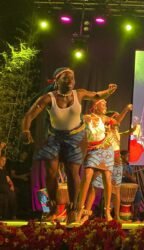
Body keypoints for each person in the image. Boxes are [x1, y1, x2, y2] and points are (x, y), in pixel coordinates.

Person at [21, 67, 117, 223]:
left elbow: (97, 95)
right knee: (51, 172)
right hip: (54, 138)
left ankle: (73, 209)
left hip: (75, 138)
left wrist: (109, 91)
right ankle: (52, 208)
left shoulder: (79, 94)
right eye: (66, 78)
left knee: (73, 172)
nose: (70, 81)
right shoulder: (48, 98)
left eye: (72, 78)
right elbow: (29, 115)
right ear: (57, 81)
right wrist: (26, 130)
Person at [81, 104, 133, 222]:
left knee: (116, 190)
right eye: (114, 116)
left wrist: (130, 131)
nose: (116, 119)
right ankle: (85, 213)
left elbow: (121, 128)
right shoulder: (104, 129)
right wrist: (125, 109)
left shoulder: (115, 131)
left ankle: (116, 216)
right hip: (105, 159)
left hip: (117, 162)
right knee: (94, 187)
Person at [7, 150, 31, 219]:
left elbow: (29, 173)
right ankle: (16, 214)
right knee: (18, 195)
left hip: (26, 184)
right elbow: (12, 175)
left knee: (27, 195)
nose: (24, 156)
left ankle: (26, 213)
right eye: (23, 154)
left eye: (26, 155)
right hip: (17, 184)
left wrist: (26, 176)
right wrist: (21, 177)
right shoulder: (15, 163)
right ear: (20, 154)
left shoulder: (27, 164)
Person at [122, 150, 143, 221]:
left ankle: (135, 215)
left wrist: (129, 176)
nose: (129, 157)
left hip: (129, 187)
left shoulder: (130, 167)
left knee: (138, 192)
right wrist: (128, 176)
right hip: (120, 186)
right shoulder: (118, 165)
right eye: (127, 156)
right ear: (122, 156)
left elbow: (134, 178)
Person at [0, 142, 16, 220]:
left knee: (12, 195)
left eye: (5, 161)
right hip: (1, 186)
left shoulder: (4, 170)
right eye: (2, 160)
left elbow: (8, 179)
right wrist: (0, 148)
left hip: (5, 187)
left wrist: (12, 185)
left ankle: (13, 215)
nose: (4, 162)